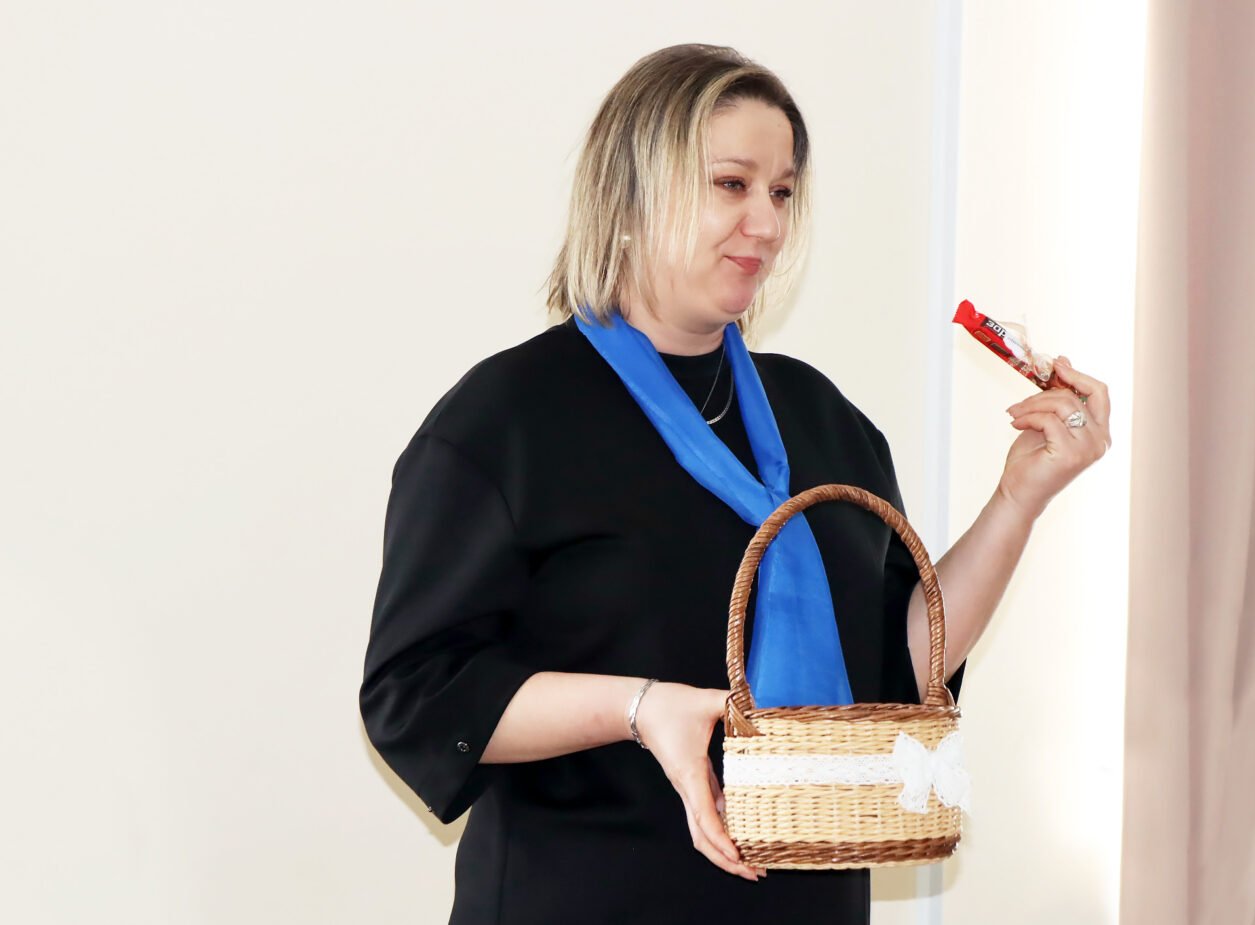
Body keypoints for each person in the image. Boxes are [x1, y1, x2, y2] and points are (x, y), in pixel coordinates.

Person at [359, 43, 1112, 925]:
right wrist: (638, 708)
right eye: (732, 184)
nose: (767, 223)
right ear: (634, 192)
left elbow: (894, 677)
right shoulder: (508, 421)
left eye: (783, 192)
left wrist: (1021, 498)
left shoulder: (822, 419)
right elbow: (416, 696)